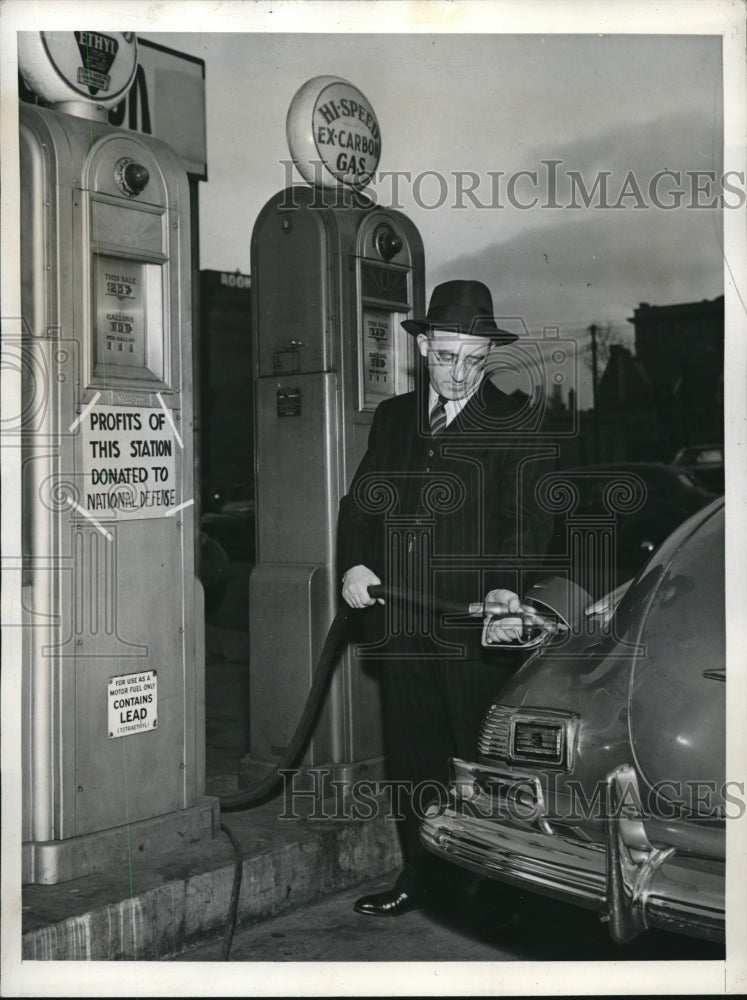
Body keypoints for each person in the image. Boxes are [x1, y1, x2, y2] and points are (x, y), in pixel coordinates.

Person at [337, 279, 555, 916]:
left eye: (473, 359)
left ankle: (499, 889)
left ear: (487, 355)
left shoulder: (516, 419)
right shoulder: (394, 417)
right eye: (446, 356)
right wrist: (355, 561)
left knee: (483, 763)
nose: (458, 372)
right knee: (414, 757)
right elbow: (362, 504)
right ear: (424, 346)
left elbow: (529, 519)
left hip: (474, 627)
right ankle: (422, 878)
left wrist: (504, 588)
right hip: (400, 622)